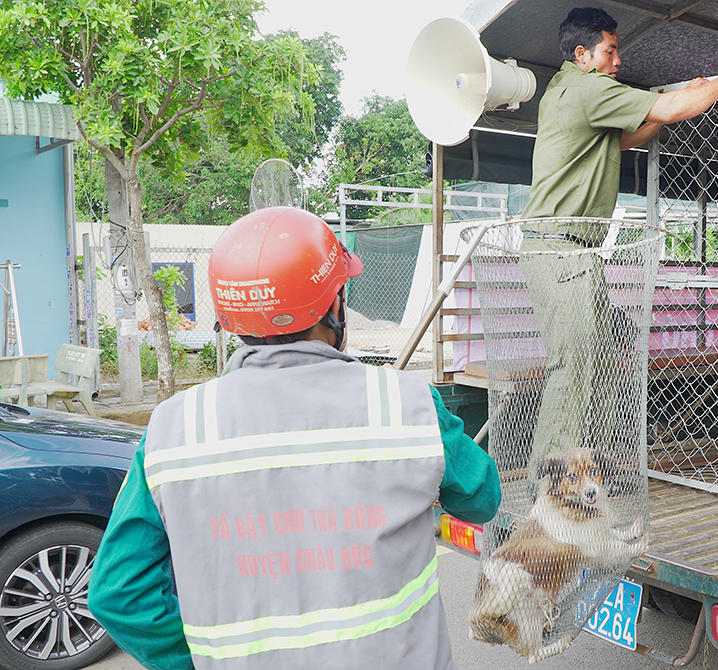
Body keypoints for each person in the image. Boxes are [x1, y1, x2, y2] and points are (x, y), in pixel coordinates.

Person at [88, 206, 501, 670]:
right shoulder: (407, 403)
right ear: (335, 305)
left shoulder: (173, 428)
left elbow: (118, 594)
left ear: (230, 317)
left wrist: (197, 660)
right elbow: (481, 499)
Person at [518, 7, 718, 482]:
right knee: (573, 365)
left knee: (611, 340)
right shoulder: (589, 88)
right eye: (610, 51)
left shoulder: (566, 89)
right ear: (582, 54)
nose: (617, 62)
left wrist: (686, 97)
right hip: (561, 249)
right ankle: (550, 484)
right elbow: (670, 109)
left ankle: (591, 455)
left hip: (574, 252)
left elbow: (628, 136)